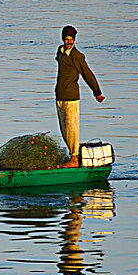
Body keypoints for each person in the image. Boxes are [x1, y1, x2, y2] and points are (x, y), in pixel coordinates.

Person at [55, 25, 105, 168]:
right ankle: (72, 154)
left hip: (71, 97)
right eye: (66, 39)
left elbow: (87, 74)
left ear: (74, 40)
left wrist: (97, 93)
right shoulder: (61, 51)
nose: (69, 42)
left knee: (72, 128)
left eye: (71, 40)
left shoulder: (77, 56)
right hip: (59, 95)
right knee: (63, 128)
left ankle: (74, 159)